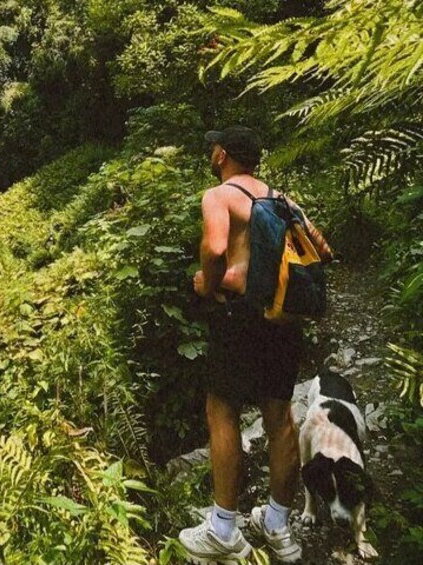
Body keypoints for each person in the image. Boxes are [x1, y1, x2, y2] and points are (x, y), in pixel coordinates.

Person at [178, 126, 333, 563]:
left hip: (239, 318)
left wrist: (208, 284)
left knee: (222, 410)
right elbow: (322, 249)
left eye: (214, 147)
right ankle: (279, 527)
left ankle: (224, 529)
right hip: (281, 319)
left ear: (223, 154)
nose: (211, 153)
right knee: (280, 417)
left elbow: (215, 245)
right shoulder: (282, 198)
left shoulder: (219, 195)